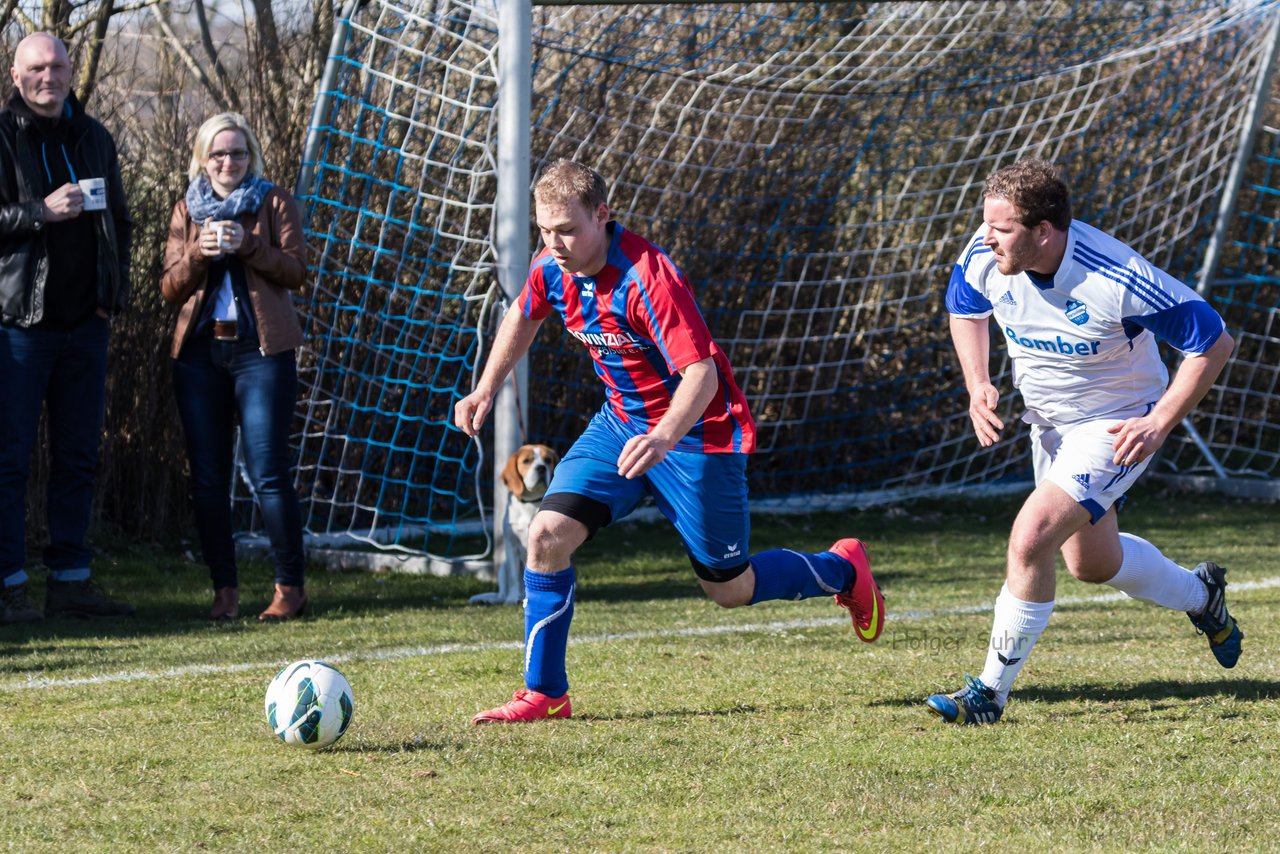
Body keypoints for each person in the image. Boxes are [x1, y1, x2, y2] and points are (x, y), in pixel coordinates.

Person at [455, 159, 886, 724]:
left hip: (696, 435)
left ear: (602, 215)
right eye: (544, 230)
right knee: (546, 536)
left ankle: (842, 568)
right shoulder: (552, 267)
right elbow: (524, 314)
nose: (554, 243)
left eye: (566, 229)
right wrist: (485, 386)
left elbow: (701, 375)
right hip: (619, 426)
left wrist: (662, 437)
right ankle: (544, 693)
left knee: (730, 589)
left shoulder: (648, 276)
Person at [928, 158, 1239, 725]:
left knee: (1031, 537)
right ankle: (1203, 597)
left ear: (1043, 231)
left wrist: (1159, 422)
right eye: (986, 224)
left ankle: (987, 696)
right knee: (1093, 564)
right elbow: (964, 307)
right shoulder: (988, 251)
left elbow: (1214, 342)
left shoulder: (1114, 276)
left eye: (1001, 228)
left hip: (1116, 424)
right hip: (1048, 424)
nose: (985, 237)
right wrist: (978, 384)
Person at [0, 33, 134, 623]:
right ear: (15, 73)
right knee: (10, 460)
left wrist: (111, 299)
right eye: (36, 67)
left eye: (56, 65)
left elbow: (120, 224)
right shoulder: (2, 136)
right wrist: (39, 214)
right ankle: (9, 587)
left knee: (79, 457)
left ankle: (71, 583)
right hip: (21, 328)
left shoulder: (94, 137)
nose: (47, 76)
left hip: (87, 327)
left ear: (71, 69)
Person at [159, 113, 308, 621]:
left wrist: (248, 246)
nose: (229, 162)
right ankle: (224, 591)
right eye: (218, 153)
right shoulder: (186, 209)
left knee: (268, 472)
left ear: (252, 156)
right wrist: (199, 255)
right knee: (208, 478)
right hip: (200, 356)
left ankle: (289, 588)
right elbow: (169, 287)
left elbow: (296, 271)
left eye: (238, 153)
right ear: (203, 158)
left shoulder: (274, 201)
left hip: (262, 353)